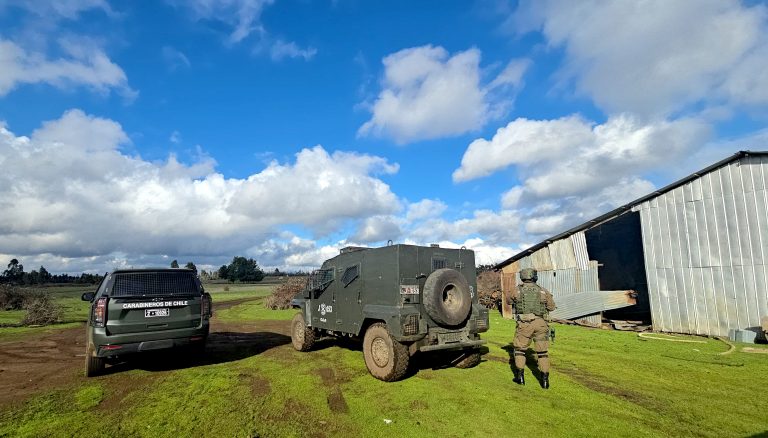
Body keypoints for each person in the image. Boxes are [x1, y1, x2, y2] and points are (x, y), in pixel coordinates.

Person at [507, 268, 556, 389]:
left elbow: (508, 301)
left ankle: (520, 378)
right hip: (541, 324)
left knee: (520, 350)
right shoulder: (543, 291)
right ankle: (545, 382)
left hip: (525, 324)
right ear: (534, 277)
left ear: (522, 277)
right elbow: (551, 307)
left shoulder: (517, 290)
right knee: (543, 353)